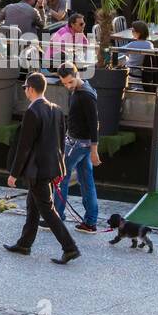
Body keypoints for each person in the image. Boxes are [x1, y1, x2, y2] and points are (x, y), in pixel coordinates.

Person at [5, 71, 80, 265]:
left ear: (30, 89)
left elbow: (24, 147)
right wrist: (60, 169)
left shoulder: (32, 112)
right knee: (33, 206)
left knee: (47, 210)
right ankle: (24, 244)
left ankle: (70, 248)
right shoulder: (56, 109)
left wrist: (14, 174)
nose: (25, 92)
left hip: (36, 171)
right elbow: (61, 144)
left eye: (25, 89)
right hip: (51, 168)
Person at [55, 65, 101, 234]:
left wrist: (95, 150)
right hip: (80, 142)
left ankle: (56, 216)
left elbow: (94, 123)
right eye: (64, 83)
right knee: (86, 181)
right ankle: (90, 222)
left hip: (78, 144)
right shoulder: (82, 89)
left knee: (60, 176)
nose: (68, 86)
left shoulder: (86, 95)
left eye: (70, 82)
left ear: (76, 75)